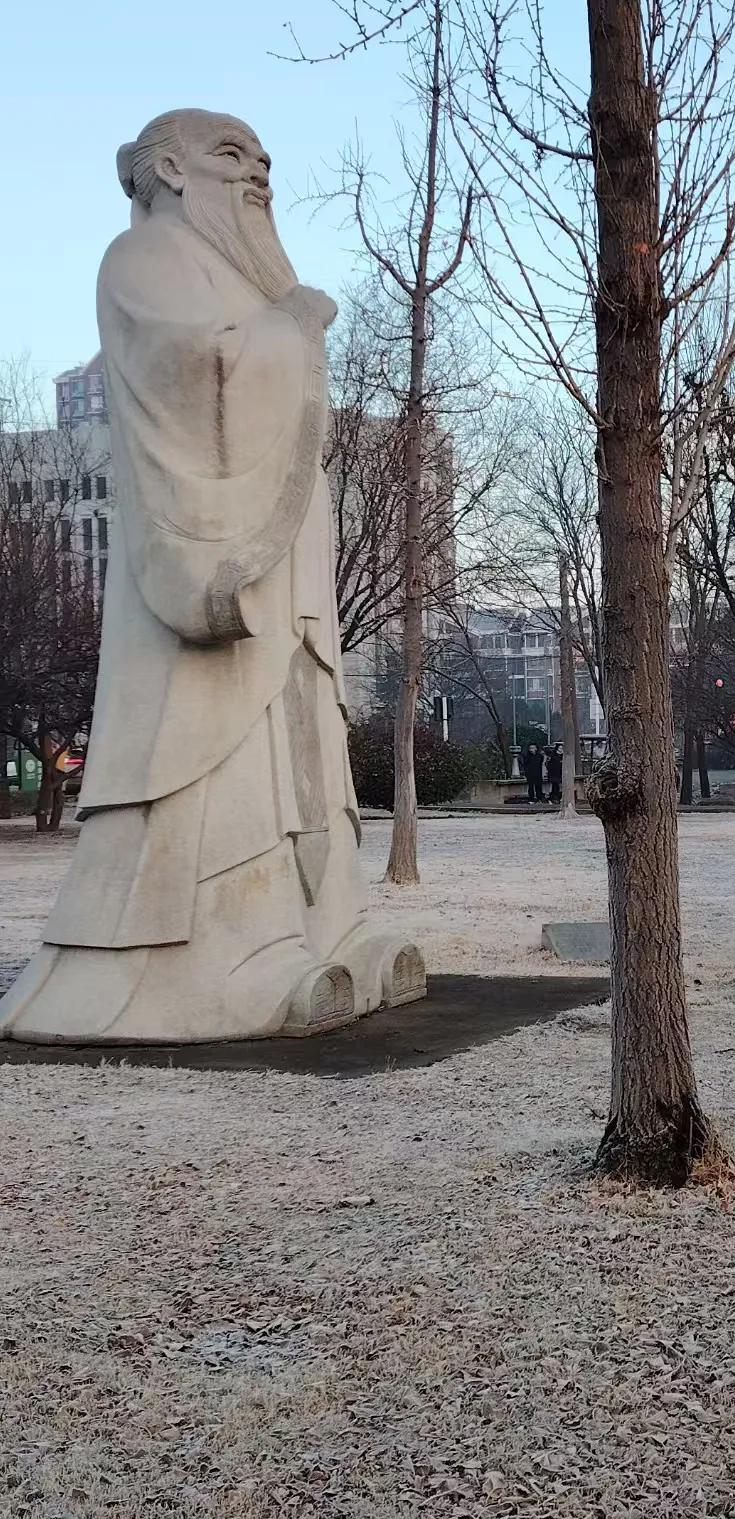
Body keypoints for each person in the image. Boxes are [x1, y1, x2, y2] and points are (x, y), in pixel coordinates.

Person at [0, 108, 423, 1044]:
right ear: (168, 170)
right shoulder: (143, 255)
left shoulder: (235, 271)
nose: (257, 175)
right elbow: (195, 374)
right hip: (209, 562)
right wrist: (286, 327)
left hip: (293, 583)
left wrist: (281, 322)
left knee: (304, 741)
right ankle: (223, 957)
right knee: (214, 758)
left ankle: (330, 922)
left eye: (264, 160)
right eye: (233, 157)